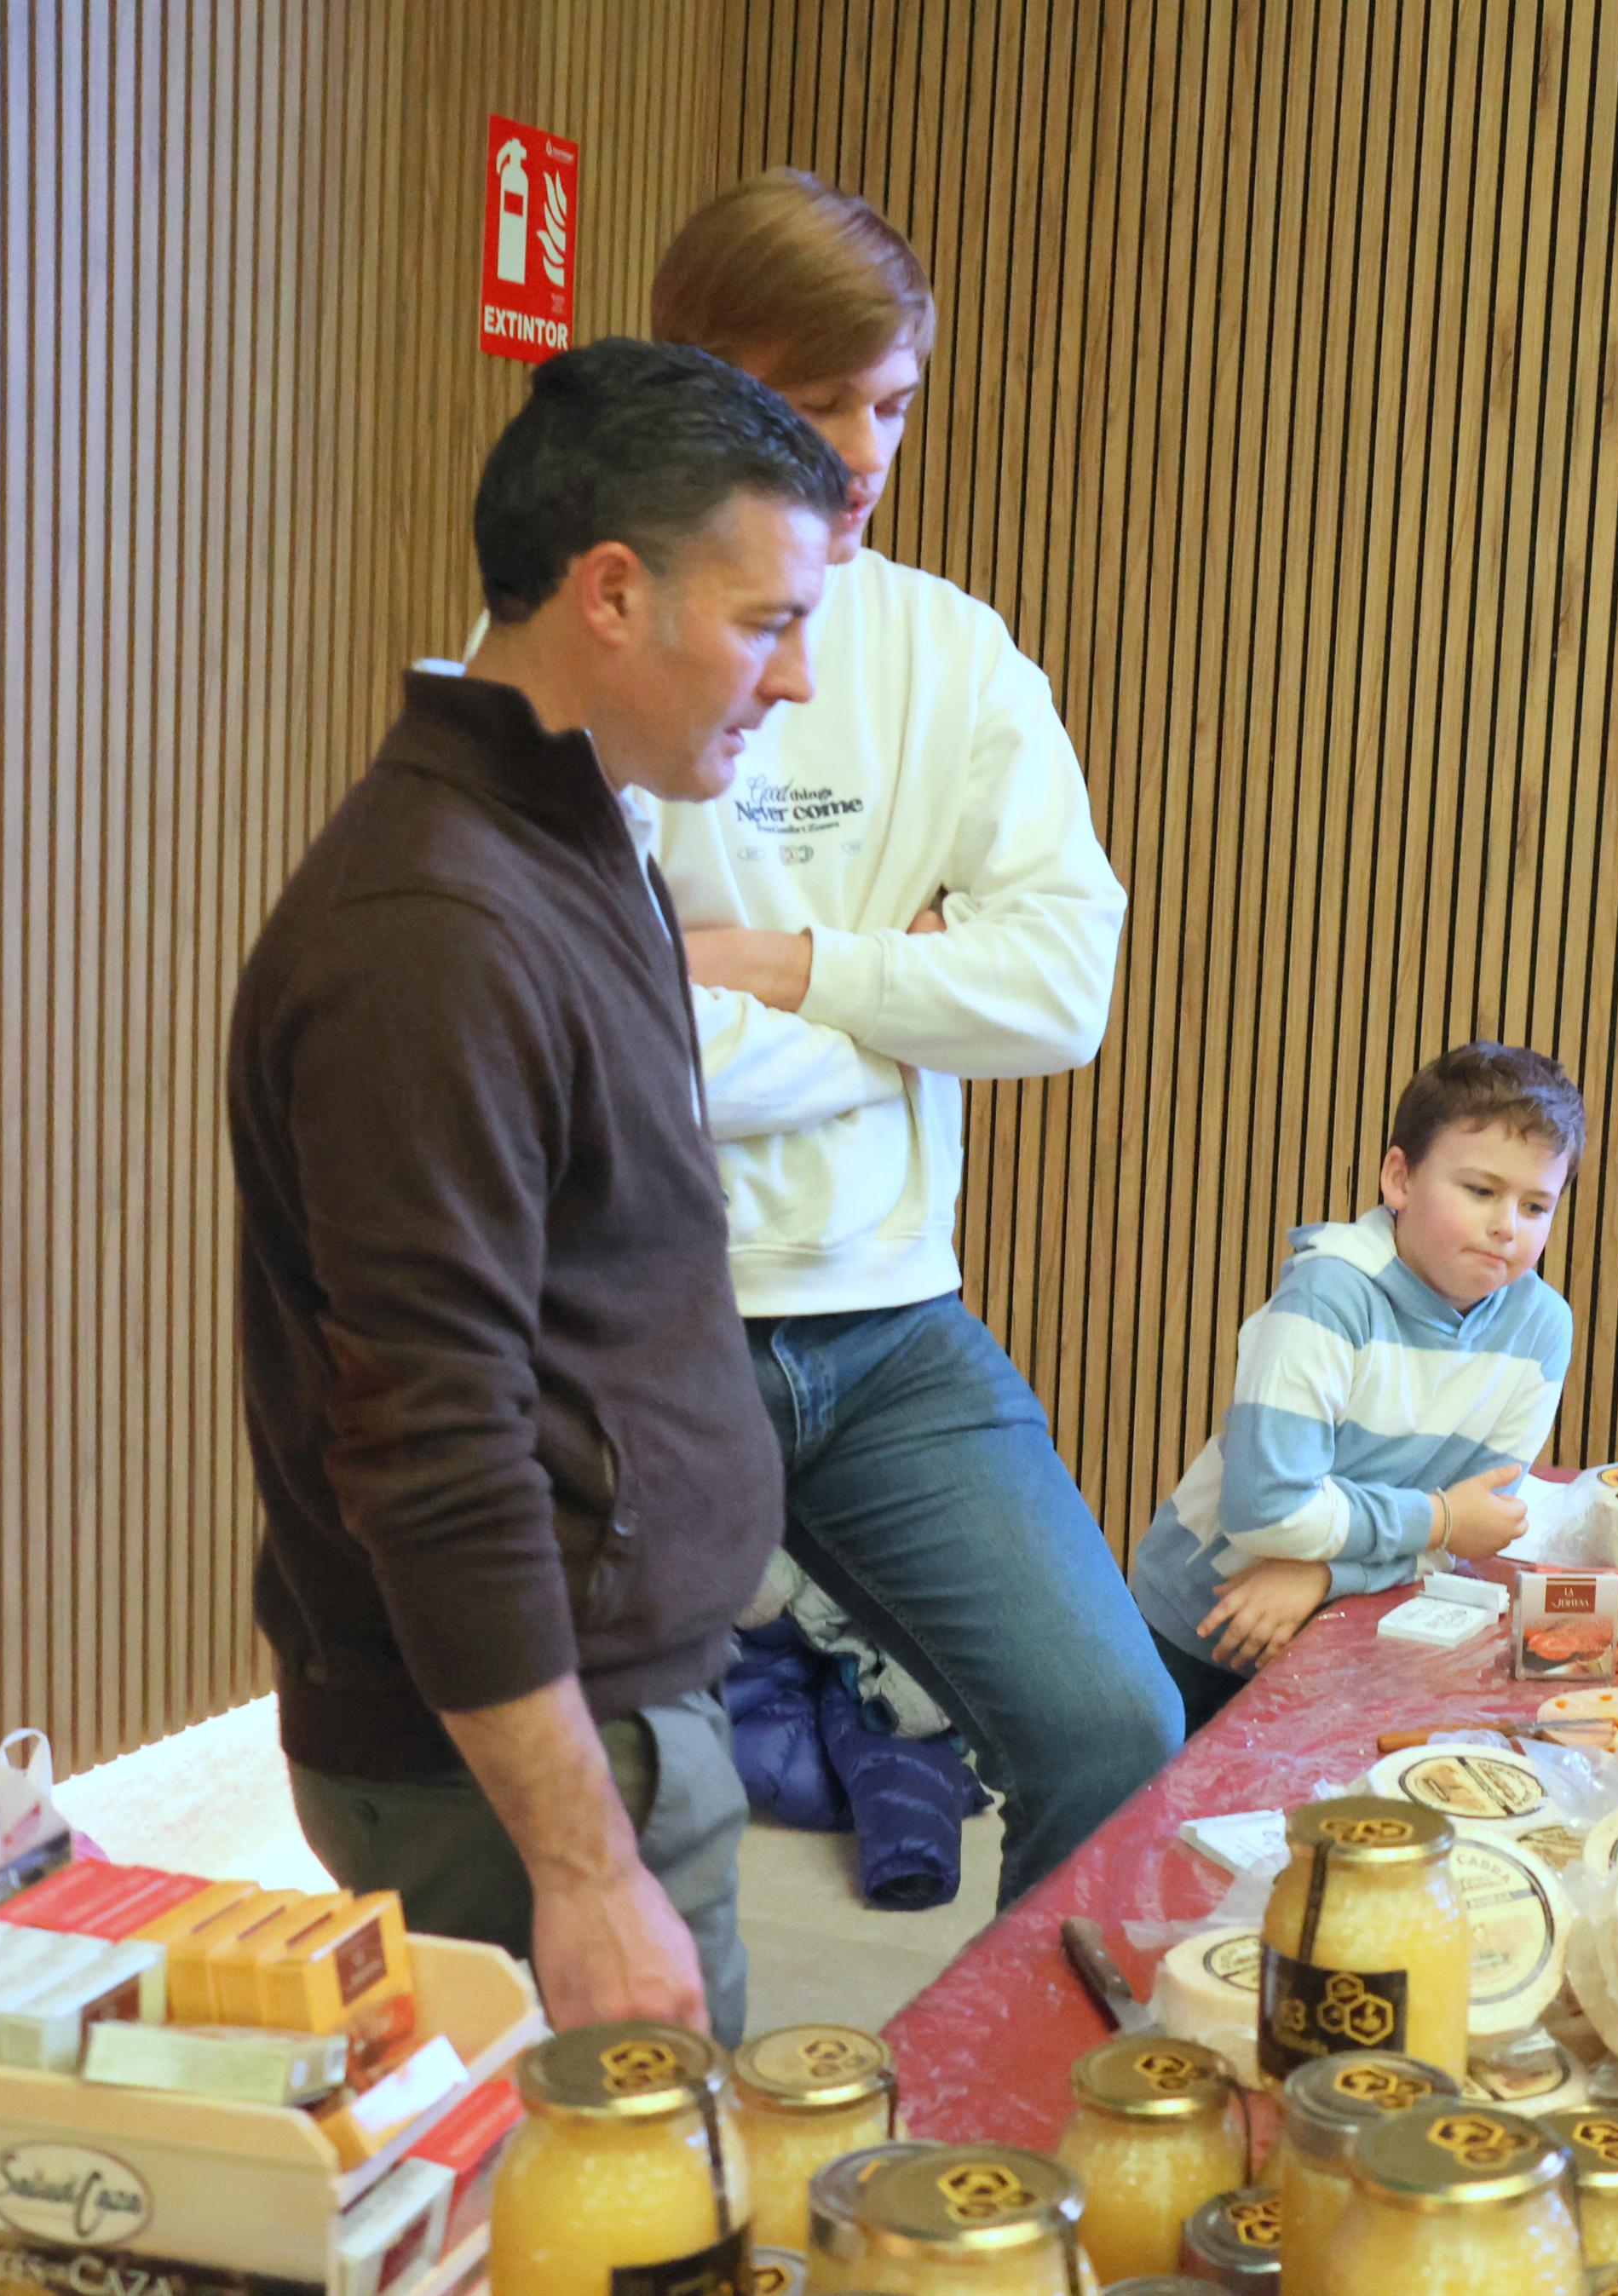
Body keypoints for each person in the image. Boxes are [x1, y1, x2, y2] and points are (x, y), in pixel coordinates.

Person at [231, 338, 849, 2040]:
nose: (793, 680)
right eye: (764, 621)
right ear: (610, 593)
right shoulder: (435, 930)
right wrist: (584, 1868)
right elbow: (431, 1444)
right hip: (522, 1753)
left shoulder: (576, 838)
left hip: (622, 1704)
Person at [637, 171, 1182, 1903]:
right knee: (634, 1815)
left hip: (887, 1328)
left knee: (1114, 1728)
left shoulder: (951, 650)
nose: (862, 452)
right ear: (694, 389)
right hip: (642, 1321)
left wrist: (773, 961)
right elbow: (609, 1048)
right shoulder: (603, 637)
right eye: (815, 407)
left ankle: (1017, 2154)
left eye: (889, 405)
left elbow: (1059, 992)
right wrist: (899, 1007)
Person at [1128, 1043, 1582, 1733]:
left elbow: (1477, 1526)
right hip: (1197, 1630)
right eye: (1480, 1190)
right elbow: (1267, 1509)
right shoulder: (1330, 1291)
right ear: (1398, 1178)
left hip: (1350, 1629)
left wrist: (1323, 1575)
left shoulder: (1541, 1327)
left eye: (1535, 1204)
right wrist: (1438, 1518)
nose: (1506, 1226)